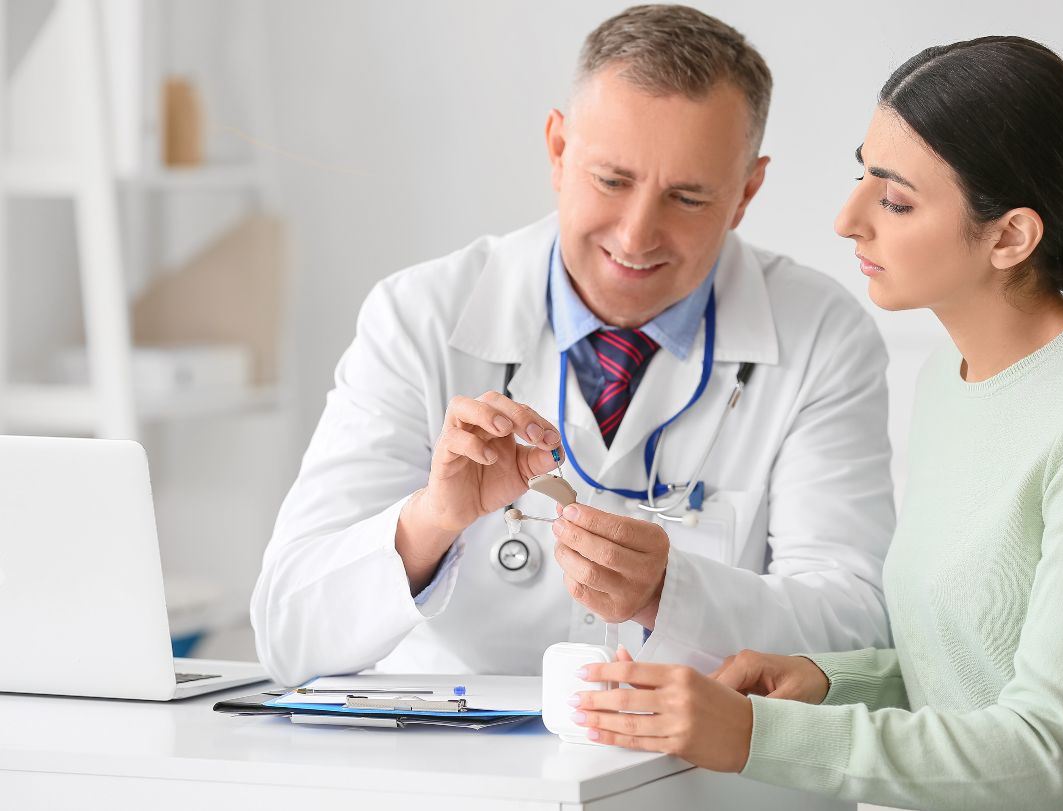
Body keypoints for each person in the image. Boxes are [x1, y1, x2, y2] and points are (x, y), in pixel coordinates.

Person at [573, 35, 1063, 809]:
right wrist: (830, 681)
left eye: (897, 199)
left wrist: (753, 734)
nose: (849, 218)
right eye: (861, 174)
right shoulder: (945, 380)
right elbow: (972, 670)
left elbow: (1045, 751)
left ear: (1010, 235)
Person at [251, 5, 896, 687]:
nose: (637, 234)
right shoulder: (418, 318)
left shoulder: (823, 335)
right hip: (464, 779)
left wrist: (673, 594)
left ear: (746, 193)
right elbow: (289, 634)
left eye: (687, 197)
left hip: (697, 784)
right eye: (612, 181)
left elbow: (856, 625)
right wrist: (434, 520)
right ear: (559, 151)